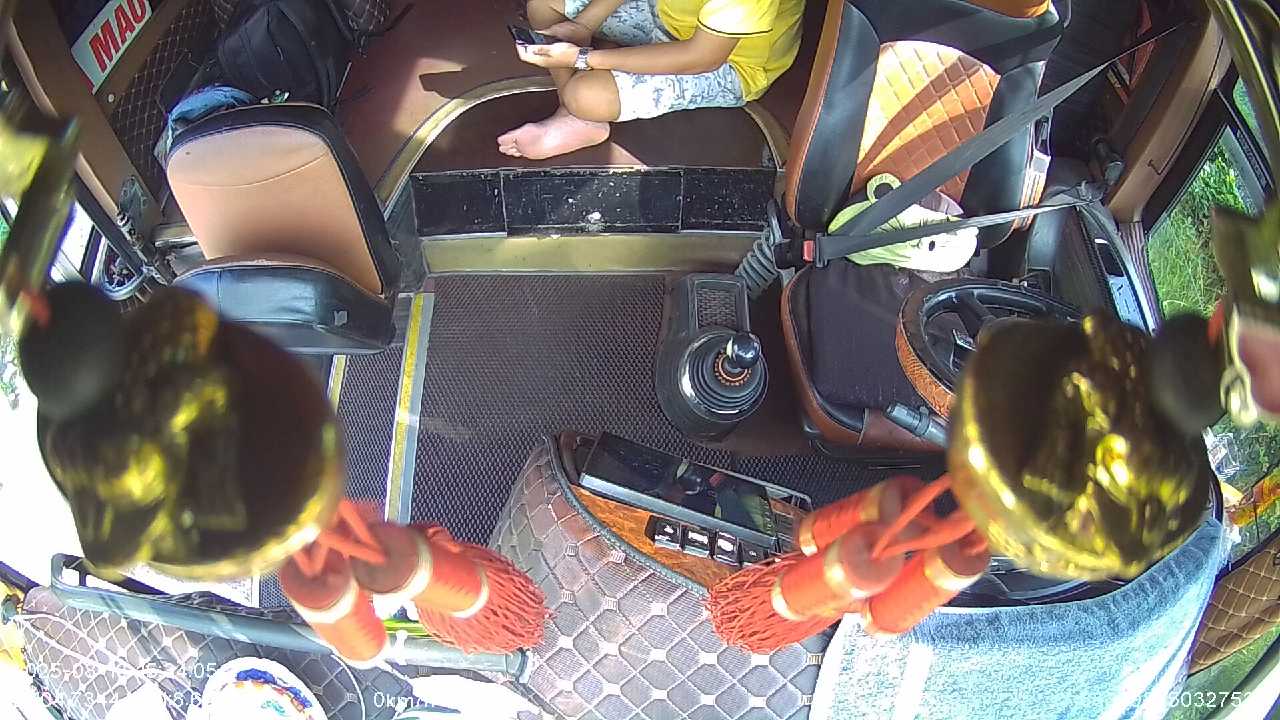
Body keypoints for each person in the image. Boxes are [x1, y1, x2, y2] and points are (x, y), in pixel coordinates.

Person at [499, 0, 804, 160]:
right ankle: (576, 113)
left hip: (732, 64)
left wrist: (582, 58)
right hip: (667, 15)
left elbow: (701, 58)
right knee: (545, 5)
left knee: (585, 95)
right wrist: (583, 25)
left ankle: (577, 109)